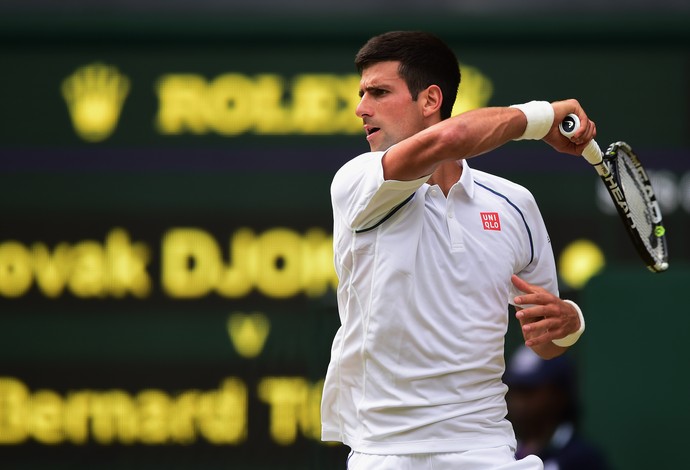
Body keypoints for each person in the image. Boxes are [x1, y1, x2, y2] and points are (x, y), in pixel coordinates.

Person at [321, 30, 594, 470]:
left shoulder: (515, 205)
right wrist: (544, 117)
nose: (361, 108)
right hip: (386, 454)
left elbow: (547, 341)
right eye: (361, 94)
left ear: (431, 100)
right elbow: (450, 140)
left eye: (379, 92)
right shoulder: (357, 181)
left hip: (484, 451)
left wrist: (570, 323)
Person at [504, 346, 611, 470]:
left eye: (528, 391)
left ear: (559, 395)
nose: (518, 401)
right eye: (513, 389)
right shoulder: (501, 453)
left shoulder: (584, 460)